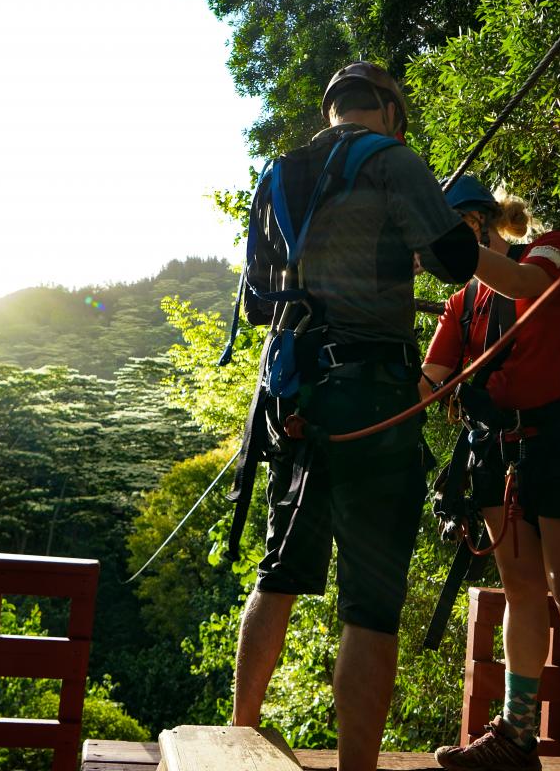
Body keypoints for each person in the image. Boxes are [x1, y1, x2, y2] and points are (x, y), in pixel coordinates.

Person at [230, 62, 481, 771]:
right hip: (372, 396)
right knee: (370, 603)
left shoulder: (282, 171)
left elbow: (256, 303)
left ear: (333, 108)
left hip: (292, 399)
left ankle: (241, 732)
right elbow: (455, 262)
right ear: (391, 112)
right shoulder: (393, 161)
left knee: (280, 570)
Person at [421, 177, 560, 771]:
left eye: (456, 229)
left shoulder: (552, 247)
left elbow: (526, 284)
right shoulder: (463, 306)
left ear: (482, 221)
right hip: (500, 452)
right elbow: (431, 382)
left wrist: (448, 244)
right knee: (522, 593)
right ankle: (517, 734)